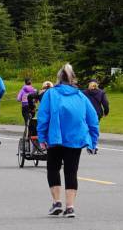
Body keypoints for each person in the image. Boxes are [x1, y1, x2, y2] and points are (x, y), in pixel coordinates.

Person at [36, 63, 100, 218]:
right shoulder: (80, 96)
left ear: (58, 79)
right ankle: (70, 207)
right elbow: (93, 119)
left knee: (53, 169)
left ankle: (57, 202)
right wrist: (93, 140)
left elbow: (43, 117)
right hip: (75, 139)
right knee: (71, 172)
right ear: (72, 79)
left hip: (55, 138)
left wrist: (42, 137)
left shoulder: (50, 94)